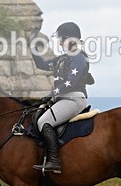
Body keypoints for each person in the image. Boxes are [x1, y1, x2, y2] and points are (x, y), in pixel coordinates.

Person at [30, 22, 92, 174]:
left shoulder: (78, 58)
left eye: (62, 39)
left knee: (43, 121)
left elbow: (71, 82)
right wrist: (32, 44)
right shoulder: (61, 59)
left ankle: (54, 161)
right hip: (61, 99)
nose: (59, 42)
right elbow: (40, 64)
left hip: (73, 99)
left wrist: (51, 94)